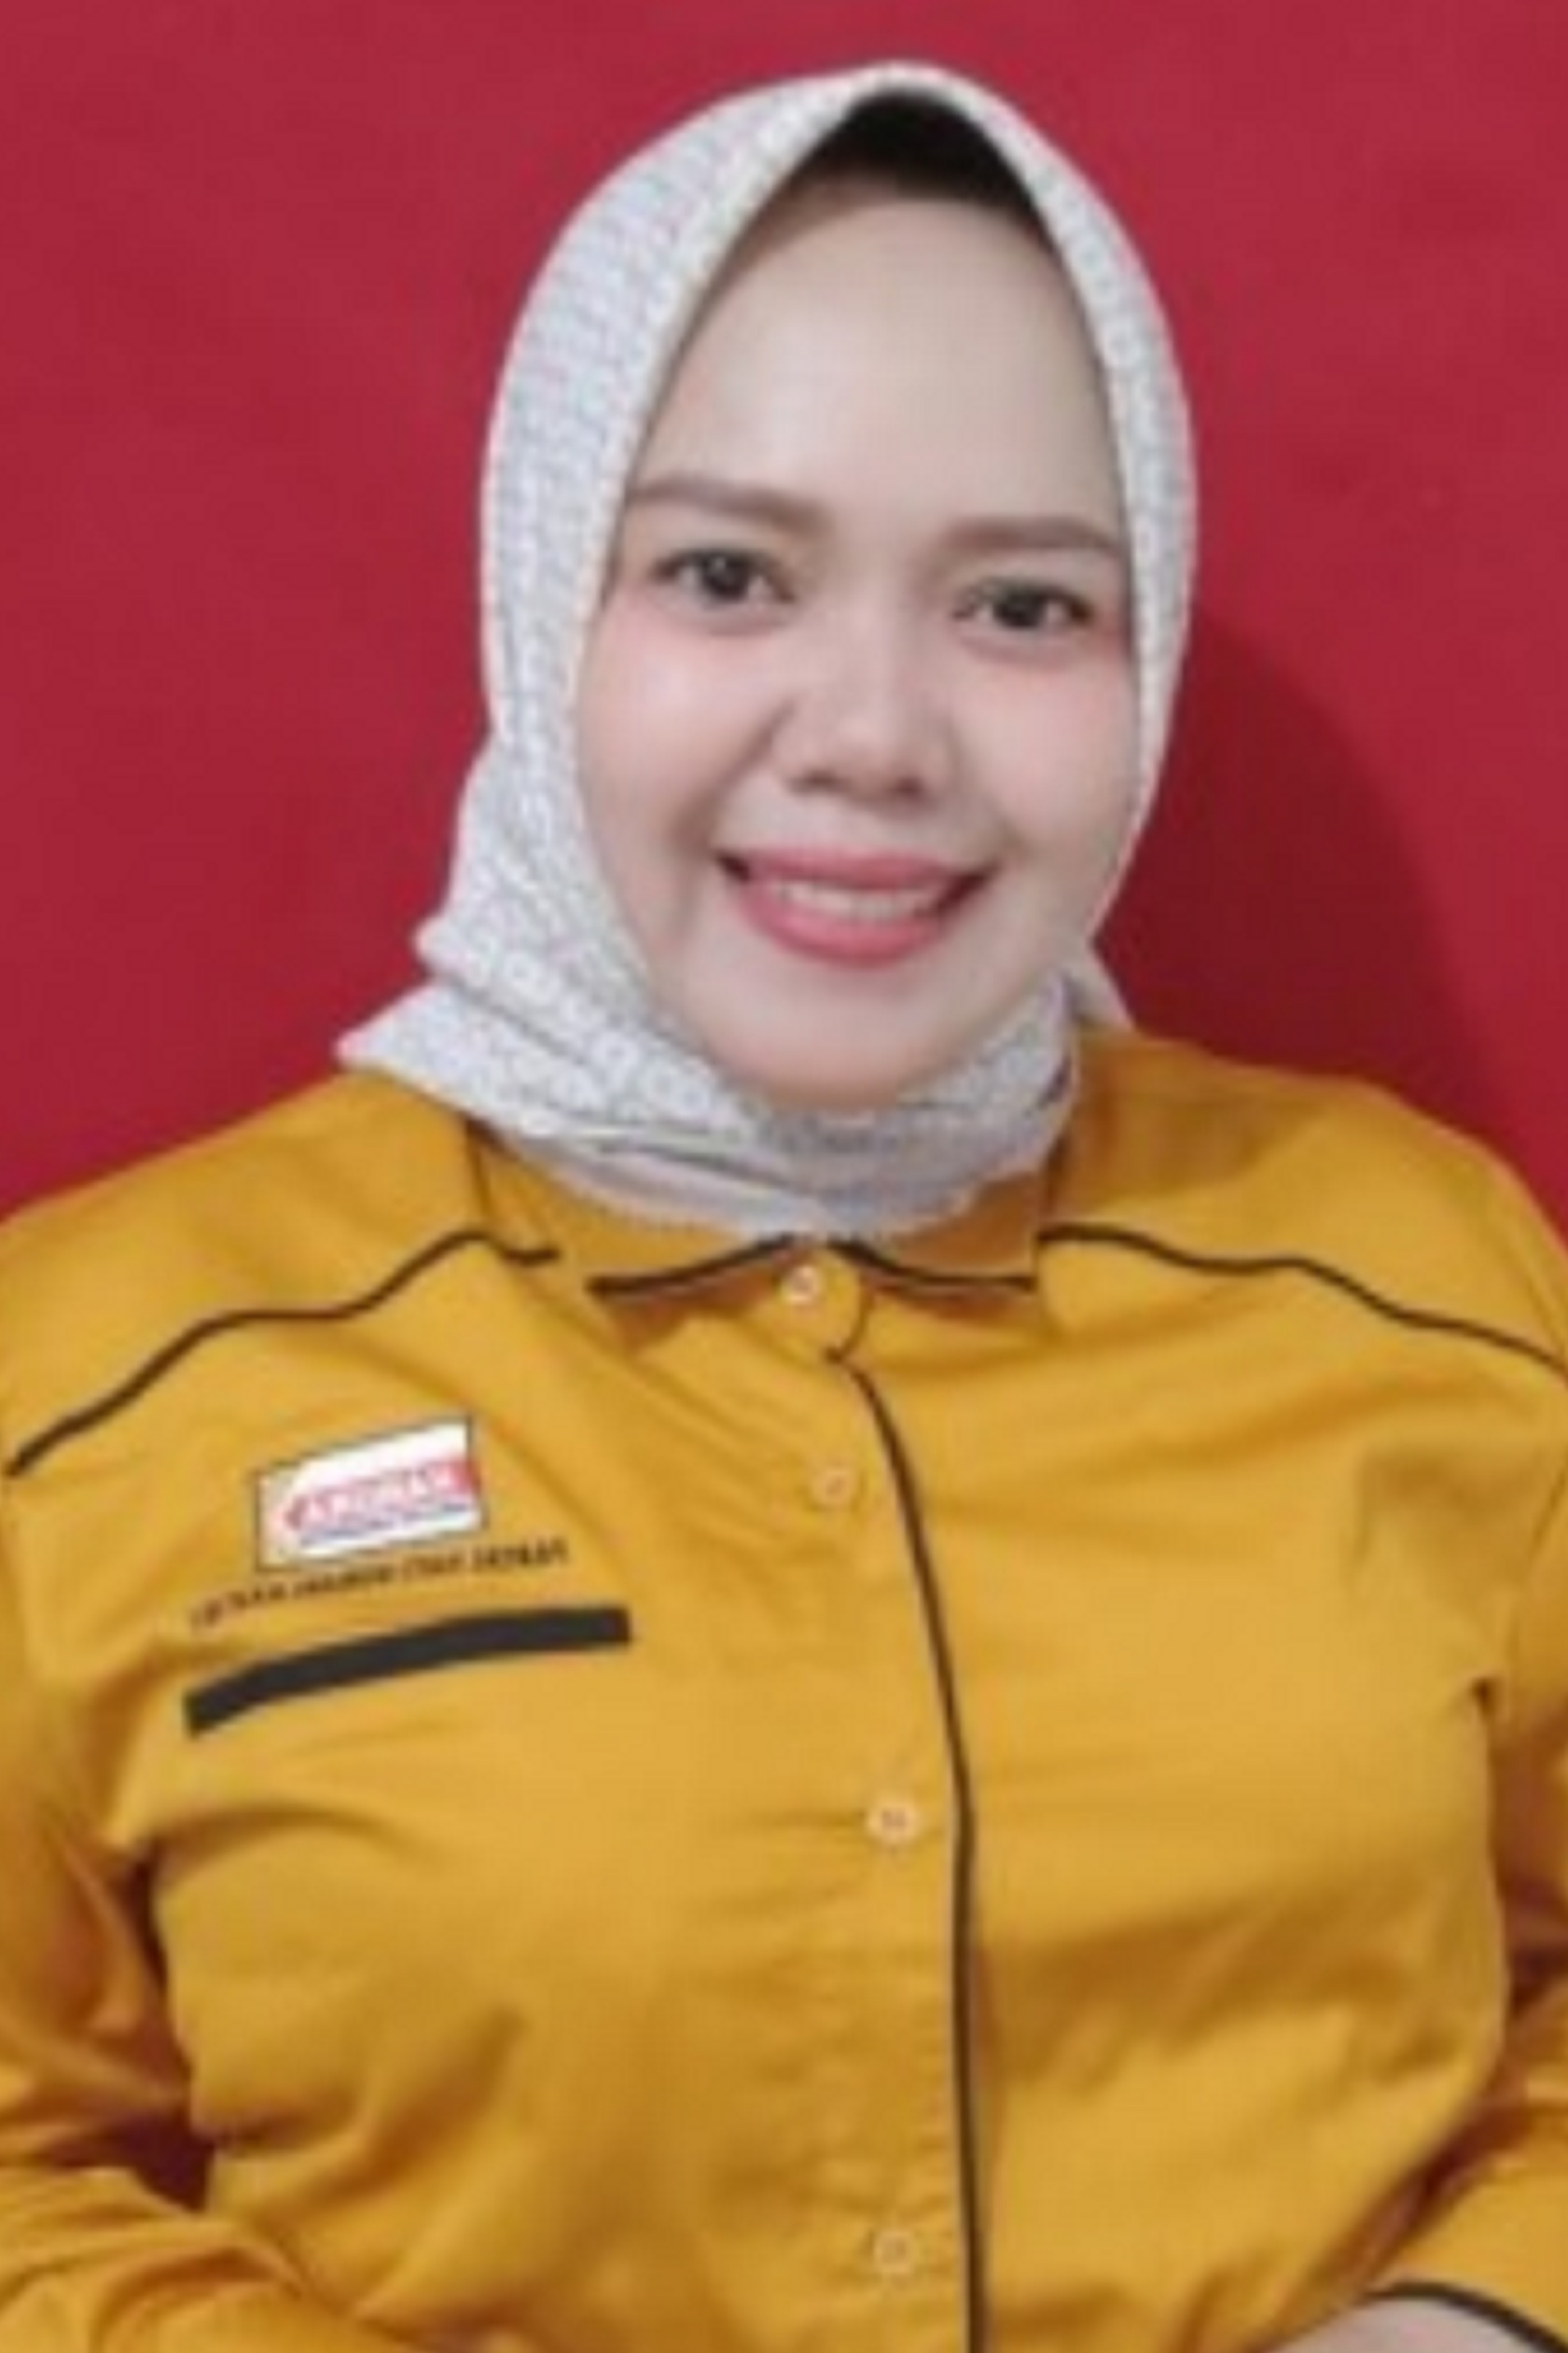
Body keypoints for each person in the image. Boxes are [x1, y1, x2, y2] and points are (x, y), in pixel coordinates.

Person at [0, 54, 1563, 2353]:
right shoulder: (92, 1385)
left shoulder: (1424, 1281)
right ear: (544, 596)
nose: (874, 733)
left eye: (1021, 605)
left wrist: (1473, 2320)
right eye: (726, 575)